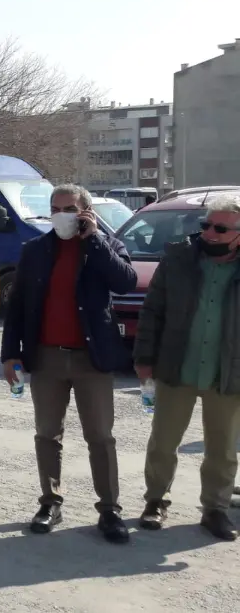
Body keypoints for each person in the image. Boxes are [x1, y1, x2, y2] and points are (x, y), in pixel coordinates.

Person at [1, 184, 137, 544]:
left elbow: (125, 281)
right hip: (46, 357)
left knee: (100, 437)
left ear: (86, 212)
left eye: (69, 208)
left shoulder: (104, 247)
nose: (61, 214)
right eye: (55, 208)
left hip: (91, 359)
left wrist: (94, 240)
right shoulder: (35, 250)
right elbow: (17, 306)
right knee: (47, 434)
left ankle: (109, 509)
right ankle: (50, 502)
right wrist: (9, 353)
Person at [135, 194, 240, 542]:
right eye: (206, 225)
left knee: (222, 448)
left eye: (220, 228)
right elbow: (152, 312)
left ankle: (216, 509)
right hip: (176, 366)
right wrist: (144, 360)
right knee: (163, 442)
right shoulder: (178, 259)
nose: (209, 233)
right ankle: (155, 502)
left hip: (227, 373)